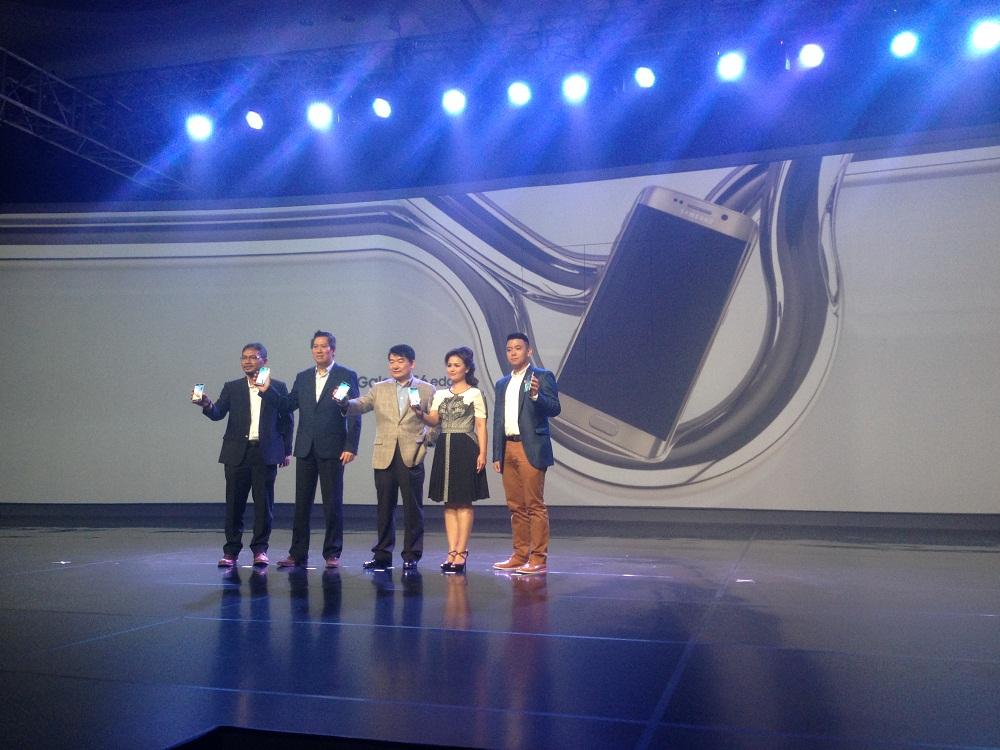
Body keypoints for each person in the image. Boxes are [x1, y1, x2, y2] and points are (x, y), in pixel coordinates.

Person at [258, 330, 360, 568]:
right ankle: (297, 553)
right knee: (301, 504)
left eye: (324, 346)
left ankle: (332, 553)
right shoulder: (303, 377)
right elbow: (287, 405)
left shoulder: (346, 375)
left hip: (333, 447)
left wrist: (351, 445)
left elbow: (354, 412)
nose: (319, 350)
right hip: (305, 447)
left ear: (333, 350)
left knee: (332, 503)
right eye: (315, 346)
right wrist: (267, 390)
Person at [192, 343, 293, 567]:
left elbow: (287, 420)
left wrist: (286, 450)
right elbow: (218, 413)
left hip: (265, 453)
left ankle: (260, 550)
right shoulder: (232, 387)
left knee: (263, 506)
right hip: (236, 453)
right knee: (234, 504)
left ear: (264, 361)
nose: (247, 361)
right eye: (244, 357)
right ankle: (231, 551)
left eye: (253, 357)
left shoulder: (277, 387)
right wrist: (206, 404)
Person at [337, 345, 435, 571]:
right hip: (384, 454)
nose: (395, 365)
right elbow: (361, 405)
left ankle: (411, 554)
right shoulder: (379, 388)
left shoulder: (427, 389)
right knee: (384, 508)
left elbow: (436, 419)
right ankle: (382, 554)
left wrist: (427, 440)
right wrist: (344, 403)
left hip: (412, 453)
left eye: (400, 361)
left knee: (413, 508)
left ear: (412, 363)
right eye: (392, 361)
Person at [413, 347, 488, 574]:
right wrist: (420, 414)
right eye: (449, 365)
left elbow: (481, 425)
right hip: (445, 447)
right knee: (449, 503)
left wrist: (483, 453)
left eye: (457, 365)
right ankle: (451, 551)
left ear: (467, 368)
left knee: (463, 502)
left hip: (466, 446)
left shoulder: (475, 393)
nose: (452, 369)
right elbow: (434, 420)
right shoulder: (440, 394)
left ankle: (462, 551)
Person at [492, 333, 561, 575]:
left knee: (534, 505)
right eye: (509, 349)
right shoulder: (502, 383)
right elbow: (498, 420)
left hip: (530, 446)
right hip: (508, 447)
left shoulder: (541, 376)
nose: (513, 352)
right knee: (515, 506)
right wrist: (497, 453)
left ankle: (538, 558)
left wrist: (536, 396)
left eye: (518, 348)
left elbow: (555, 408)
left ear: (529, 351)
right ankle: (519, 555)